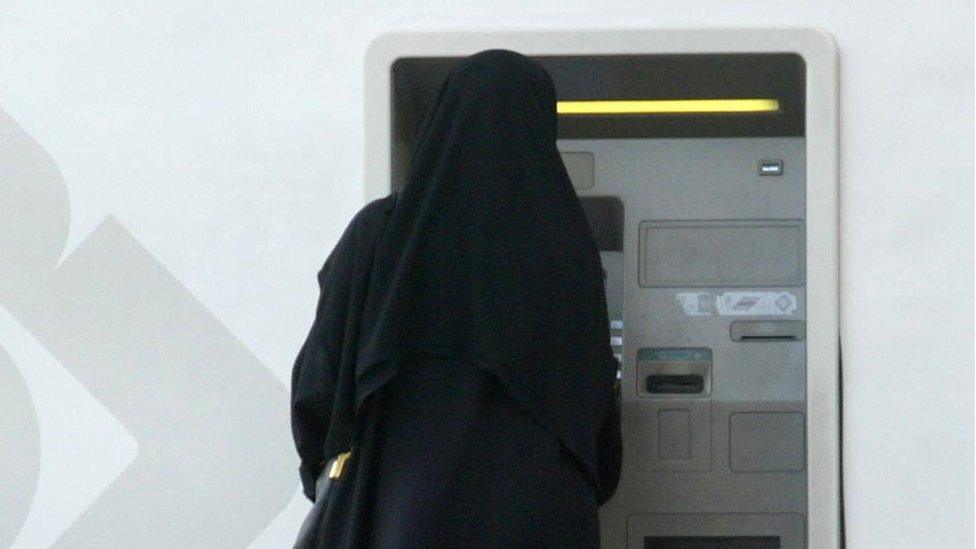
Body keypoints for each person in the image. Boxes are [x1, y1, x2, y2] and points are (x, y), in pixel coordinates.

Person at [290, 49, 621, 548]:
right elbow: (595, 402)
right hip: (542, 517)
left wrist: (329, 473)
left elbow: (318, 382)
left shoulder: (379, 236)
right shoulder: (566, 251)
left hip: (399, 512)